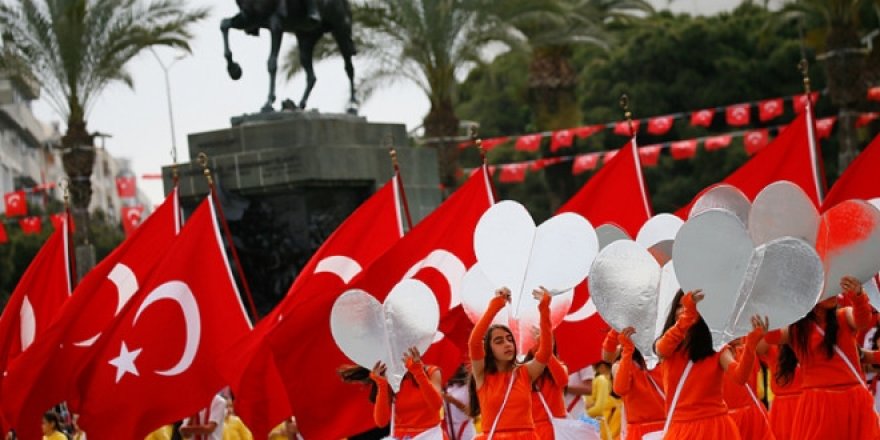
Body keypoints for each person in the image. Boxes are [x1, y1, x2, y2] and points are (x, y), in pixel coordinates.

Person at [764, 275, 880, 439]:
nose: (833, 293)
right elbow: (771, 337)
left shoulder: (843, 316)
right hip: (819, 404)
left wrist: (858, 296)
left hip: (853, 399)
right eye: (825, 289)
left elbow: (863, 321)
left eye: (833, 288)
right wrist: (770, 304)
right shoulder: (797, 330)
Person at [654, 289, 767, 439]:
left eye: (690, 306)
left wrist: (750, 345)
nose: (683, 310)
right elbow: (661, 349)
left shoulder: (717, 349)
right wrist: (688, 315)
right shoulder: (668, 346)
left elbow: (740, 377)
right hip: (682, 430)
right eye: (680, 306)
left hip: (716, 428)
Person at [467, 287, 552, 439]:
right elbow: (474, 342)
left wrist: (544, 309)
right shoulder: (482, 375)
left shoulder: (525, 372)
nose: (507, 344)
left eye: (510, 339)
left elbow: (545, 352)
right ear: (488, 350)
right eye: (499, 341)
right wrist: (496, 304)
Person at [369, 346, 446, 438]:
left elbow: (436, 405)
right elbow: (381, 422)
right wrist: (382, 384)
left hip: (430, 435)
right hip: (401, 436)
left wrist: (418, 372)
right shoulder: (391, 379)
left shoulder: (431, 372)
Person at [613, 327, 665, 440]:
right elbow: (620, 389)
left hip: (661, 428)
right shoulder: (625, 365)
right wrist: (627, 351)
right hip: (644, 430)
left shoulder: (666, 362)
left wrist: (627, 351)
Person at [525, 343, 567, 440]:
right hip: (536, 429)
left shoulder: (559, 367)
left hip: (556, 428)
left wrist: (545, 350)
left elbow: (562, 381)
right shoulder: (523, 371)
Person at [586, 360, 620, 439]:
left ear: (602, 367)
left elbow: (598, 409)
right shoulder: (613, 381)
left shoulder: (600, 380)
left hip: (602, 423)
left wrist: (583, 414)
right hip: (610, 424)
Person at [443, 365, 476, 440]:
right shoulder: (447, 387)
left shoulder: (468, 388)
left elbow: (471, 412)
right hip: (448, 427)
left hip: (464, 427)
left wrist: (453, 401)